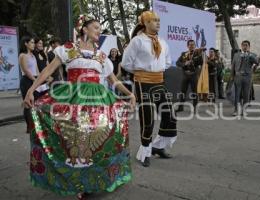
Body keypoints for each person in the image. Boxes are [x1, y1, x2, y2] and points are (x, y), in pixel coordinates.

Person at [23, 14, 135, 199]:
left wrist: (129, 93)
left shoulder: (101, 56)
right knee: (74, 139)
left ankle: (99, 177)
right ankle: (77, 181)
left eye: (100, 28)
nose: (99, 31)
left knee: (104, 136)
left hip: (98, 100)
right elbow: (48, 70)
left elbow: (113, 80)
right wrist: (31, 90)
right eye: (96, 27)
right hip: (74, 98)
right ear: (85, 29)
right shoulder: (68, 49)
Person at [122, 11, 177, 167]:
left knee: (170, 115)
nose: (158, 23)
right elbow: (126, 63)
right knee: (147, 118)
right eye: (154, 20)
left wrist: (155, 72)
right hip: (142, 82)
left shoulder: (163, 42)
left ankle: (158, 147)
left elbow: (167, 62)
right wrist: (141, 73)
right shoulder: (137, 41)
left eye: (159, 20)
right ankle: (145, 151)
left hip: (159, 81)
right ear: (145, 23)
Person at [19, 36, 41, 134]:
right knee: (28, 104)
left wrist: (39, 79)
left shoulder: (32, 55)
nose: (33, 44)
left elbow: (36, 70)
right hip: (26, 81)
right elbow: (26, 70)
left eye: (33, 42)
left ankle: (35, 124)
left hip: (34, 79)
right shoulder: (22, 55)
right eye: (31, 42)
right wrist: (35, 80)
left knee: (35, 103)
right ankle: (29, 126)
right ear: (26, 44)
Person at [231, 40, 259, 116]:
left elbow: (257, 62)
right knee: (237, 94)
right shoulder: (236, 55)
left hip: (247, 77)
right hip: (238, 76)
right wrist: (232, 77)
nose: (245, 46)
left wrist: (250, 55)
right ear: (241, 46)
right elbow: (233, 66)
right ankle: (236, 110)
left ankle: (244, 110)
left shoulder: (252, 55)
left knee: (246, 95)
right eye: (243, 45)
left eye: (246, 45)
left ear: (249, 46)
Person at [176, 39, 203, 111]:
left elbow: (201, 62)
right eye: (190, 45)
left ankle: (195, 108)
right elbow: (177, 63)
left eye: (193, 45)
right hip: (185, 75)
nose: (192, 46)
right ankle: (180, 107)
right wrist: (185, 63)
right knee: (182, 91)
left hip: (194, 75)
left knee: (194, 92)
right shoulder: (183, 54)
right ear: (188, 46)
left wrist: (200, 54)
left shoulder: (198, 53)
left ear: (195, 45)